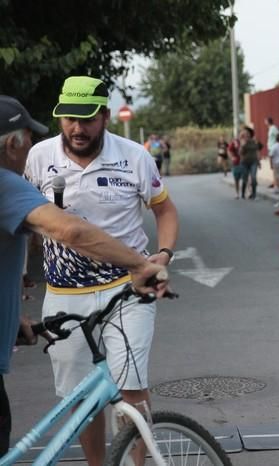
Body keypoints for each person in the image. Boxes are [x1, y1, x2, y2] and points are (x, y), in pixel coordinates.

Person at [0, 95, 169, 456]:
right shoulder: (26, 167)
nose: (77, 128)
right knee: (80, 395)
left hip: (124, 293)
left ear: (104, 117)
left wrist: (14, 306)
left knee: (131, 385)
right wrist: (141, 266)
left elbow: (19, 228)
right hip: (67, 293)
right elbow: (67, 230)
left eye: (87, 119)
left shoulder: (133, 155)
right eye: (68, 119)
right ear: (14, 142)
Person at [238, 126, 261, 200]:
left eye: (248, 134)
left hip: (253, 162)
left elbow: (257, 151)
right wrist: (243, 145)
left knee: (253, 178)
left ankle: (254, 194)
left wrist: (259, 161)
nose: (247, 135)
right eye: (245, 134)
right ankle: (243, 193)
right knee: (245, 178)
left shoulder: (254, 141)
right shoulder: (242, 141)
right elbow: (240, 153)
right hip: (244, 163)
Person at [228, 134, 243, 198]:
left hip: (243, 164)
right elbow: (229, 150)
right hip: (236, 164)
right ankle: (237, 194)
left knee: (246, 178)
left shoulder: (243, 143)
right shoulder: (233, 144)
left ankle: (248, 192)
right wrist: (232, 157)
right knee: (236, 180)